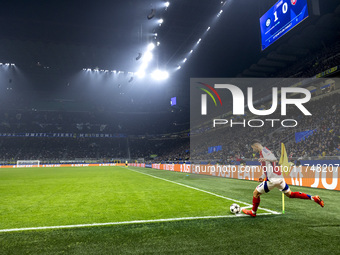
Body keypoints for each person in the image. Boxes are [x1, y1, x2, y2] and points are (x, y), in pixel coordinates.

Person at [242, 140, 324, 217]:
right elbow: (269, 166)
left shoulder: (264, 151)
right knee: (290, 194)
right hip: (279, 178)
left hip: (273, 180)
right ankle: (313, 198)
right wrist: (262, 176)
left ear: (256, 145)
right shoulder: (263, 151)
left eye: (253, 148)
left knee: (255, 193)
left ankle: (253, 212)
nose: (253, 150)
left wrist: (265, 159)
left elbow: (274, 159)